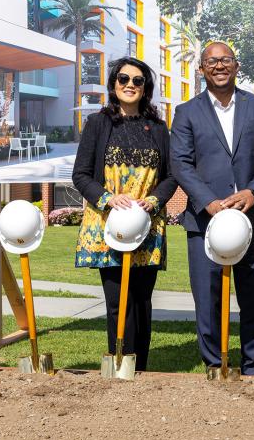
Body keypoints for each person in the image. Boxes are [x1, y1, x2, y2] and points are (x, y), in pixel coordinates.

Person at [170, 42, 254, 375]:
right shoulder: (186, 112)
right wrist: (208, 201)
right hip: (205, 221)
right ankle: (215, 364)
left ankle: (253, 368)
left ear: (236, 66)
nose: (219, 66)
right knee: (207, 300)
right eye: (211, 61)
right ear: (201, 69)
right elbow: (180, 163)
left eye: (226, 60)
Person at [72, 57, 178, 372]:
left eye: (137, 81)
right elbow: (81, 175)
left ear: (146, 88)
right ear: (113, 84)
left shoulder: (159, 128)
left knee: (142, 302)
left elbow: (171, 175)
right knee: (118, 301)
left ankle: (139, 368)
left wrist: (155, 199)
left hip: (147, 224)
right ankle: (119, 365)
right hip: (108, 224)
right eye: (123, 79)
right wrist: (107, 198)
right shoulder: (98, 123)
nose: (130, 85)